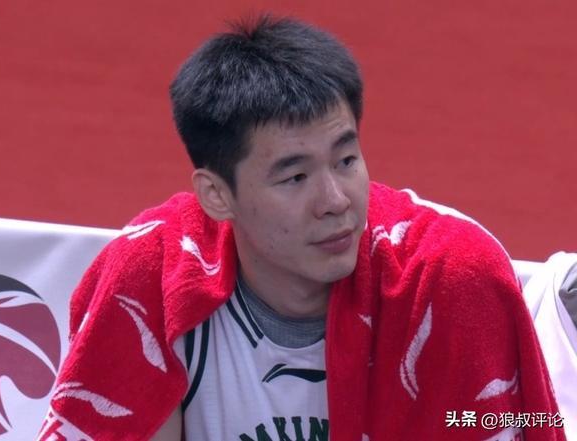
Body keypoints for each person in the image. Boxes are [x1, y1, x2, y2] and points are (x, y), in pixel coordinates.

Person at [38, 15, 566, 441]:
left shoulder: (450, 277)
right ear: (217, 195)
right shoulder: (151, 278)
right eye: (295, 177)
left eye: (346, 160)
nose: (336, 202)